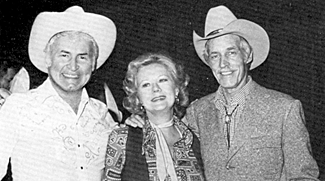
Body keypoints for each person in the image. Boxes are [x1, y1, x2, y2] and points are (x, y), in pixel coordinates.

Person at [126, 5, 320, 181]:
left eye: (231, 53)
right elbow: (166, 132)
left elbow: (304, 176)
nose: (223, 64)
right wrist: (140, 120)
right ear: (208, 61)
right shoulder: (197, 111)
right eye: (215, 56)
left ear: (247, 55)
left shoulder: (285, 109)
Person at [0, 6, 119, 181]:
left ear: (93, 64)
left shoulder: (102, 114)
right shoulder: (18, 106)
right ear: (48, 58)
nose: (73, 66)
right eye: (64, 55)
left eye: (83, 57)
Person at [103, 53, 205, 181]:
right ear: (137, 97)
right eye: (146, 85)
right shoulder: (121, 138)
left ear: (176, 89)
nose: (156, 89)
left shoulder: (196, 138)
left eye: (162, 80)